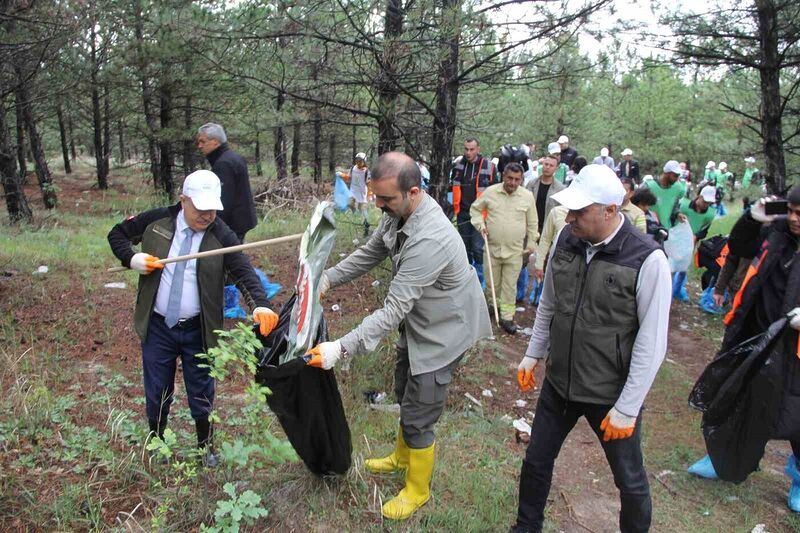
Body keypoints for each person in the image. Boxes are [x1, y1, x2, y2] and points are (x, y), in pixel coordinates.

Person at [307, 152, 491, 521]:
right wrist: (328, 276)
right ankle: (400, 457)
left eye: (386, 199)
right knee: (405, 387)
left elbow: (392, 311)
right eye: (376, 197)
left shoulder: (429, 238)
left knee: (420, 411)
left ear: (413, 191)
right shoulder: (399, 212)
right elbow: (371, 251)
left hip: (446, 329)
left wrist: (340, 349)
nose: (379, 205)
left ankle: (417, 490)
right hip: (422, 320)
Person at [511, 164, 671, 533]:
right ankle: (526, 527)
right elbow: (549, 303)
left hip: (610, 394)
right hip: (560, 384)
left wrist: (627, 408)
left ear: (610, 211)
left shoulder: (646, 259)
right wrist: (533, 354)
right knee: (536, 461)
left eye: (579, 212)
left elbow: (652, 341)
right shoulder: (567, 241)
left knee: (629, 481)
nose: (569, 219)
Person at [107, 170, 278, 467]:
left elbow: (244, 273)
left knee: (201, 390)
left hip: (199, 329)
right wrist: (131, 258)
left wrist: (260, 305)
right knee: (157, 388)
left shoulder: (222, 235)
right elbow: (117, 234)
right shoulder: (158, 221)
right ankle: (158, 442)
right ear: (183, 200)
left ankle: (205, 447)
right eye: (200, 208)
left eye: (213, 208)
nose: (207, 215)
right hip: (158, 325)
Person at [687, 187, 800, 513]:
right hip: (753, 336)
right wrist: (751, 219)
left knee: (795, 413)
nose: (793, 218)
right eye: (790, 210)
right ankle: (723, 459)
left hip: (795, 350)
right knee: (736, 398)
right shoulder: (775, 233)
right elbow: (738, 248)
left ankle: (798, 478)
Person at [470, 163, 538, 334]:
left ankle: (507, 316)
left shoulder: (527, 196)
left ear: (521, 180)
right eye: (510, 178)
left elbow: (532, 223)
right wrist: (480, 225)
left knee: (509, 285)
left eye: (517, 179)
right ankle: (493, 307)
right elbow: (475, 209)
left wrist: (531, 243)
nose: (513, 182)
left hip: (515, 251)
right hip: (491, 247)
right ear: (503, 176)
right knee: (493, 282)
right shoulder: (491, 192)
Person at [196, 123, 257, 243]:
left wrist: (215, 226)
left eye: (203, 141)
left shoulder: (223, 164)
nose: (199, 146)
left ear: (215, 141)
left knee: (229, 258)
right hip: (241, 219)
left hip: (233, 223)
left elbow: (223, 200)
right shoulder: (232, 157)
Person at [450, 137, 498, 286]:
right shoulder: (458, 166)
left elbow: (495, 191)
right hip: (462, 212)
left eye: (471, 149)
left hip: (481, 214)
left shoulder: (489, 166)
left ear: (478, 149)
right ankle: (466, 278)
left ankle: (480, 281)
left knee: (478, 247)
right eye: (466, 149)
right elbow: (452, 188)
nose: (468, 152)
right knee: (464, 247)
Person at [671, 185, 718, 302]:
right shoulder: (684, 205)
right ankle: (668, 291)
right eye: (705, 201)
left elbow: (704, 230)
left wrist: (696, 236)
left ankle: (677, 290)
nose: (706, 204)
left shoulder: (710, 214)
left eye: (709, 203)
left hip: (691, 242)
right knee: (672, 266)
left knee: (683, 270)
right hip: (675, 239)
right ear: (699, 197)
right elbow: (672, 217)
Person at [643, 160, 687, 230]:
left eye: (678, 176)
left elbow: (674, 207)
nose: (677, 179)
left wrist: (678, 214)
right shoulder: (648, 186)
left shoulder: (678, 188)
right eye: (675, 176)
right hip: (648, 228)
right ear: (666, 173)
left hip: (666, 229)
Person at [349, 152, 372, 237]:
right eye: (357, 160)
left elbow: (369, 184)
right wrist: (341, 175)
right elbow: (349, 177)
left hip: (362, 193)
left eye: (360, 161)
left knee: (363, 210)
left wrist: (370, 194)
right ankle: (357, 216)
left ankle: (366, 227)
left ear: (364, 161)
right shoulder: (353, 168)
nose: (358, 162)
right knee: (350, 203)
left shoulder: (366, 171)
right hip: (353, 191)